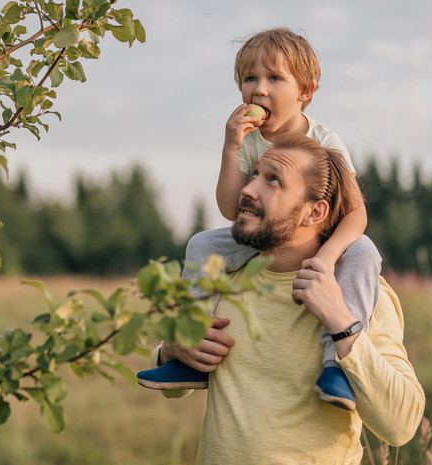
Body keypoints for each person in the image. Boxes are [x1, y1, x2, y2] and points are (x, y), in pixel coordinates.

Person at [143, 133, 425, 464]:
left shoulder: (358, 295)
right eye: (254, 175)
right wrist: (170, 351)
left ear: (314, 212)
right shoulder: (222, 279)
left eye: (273, 180)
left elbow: (401, 426)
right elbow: (178, 387)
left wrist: (342, 325)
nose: (247, 190)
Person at [137, 27, 380, 410]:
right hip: (261, 231)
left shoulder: (324, 140)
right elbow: (232, 209)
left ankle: (337, 367)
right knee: (201, 243)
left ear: (305, 92)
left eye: (274, 78)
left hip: (320, 239)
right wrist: (230, 146)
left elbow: (356, 213)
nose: (258, 89)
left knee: (364, 253)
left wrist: (328, 257)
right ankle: (193, 346)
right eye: (250, 79)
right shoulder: (248, 139)